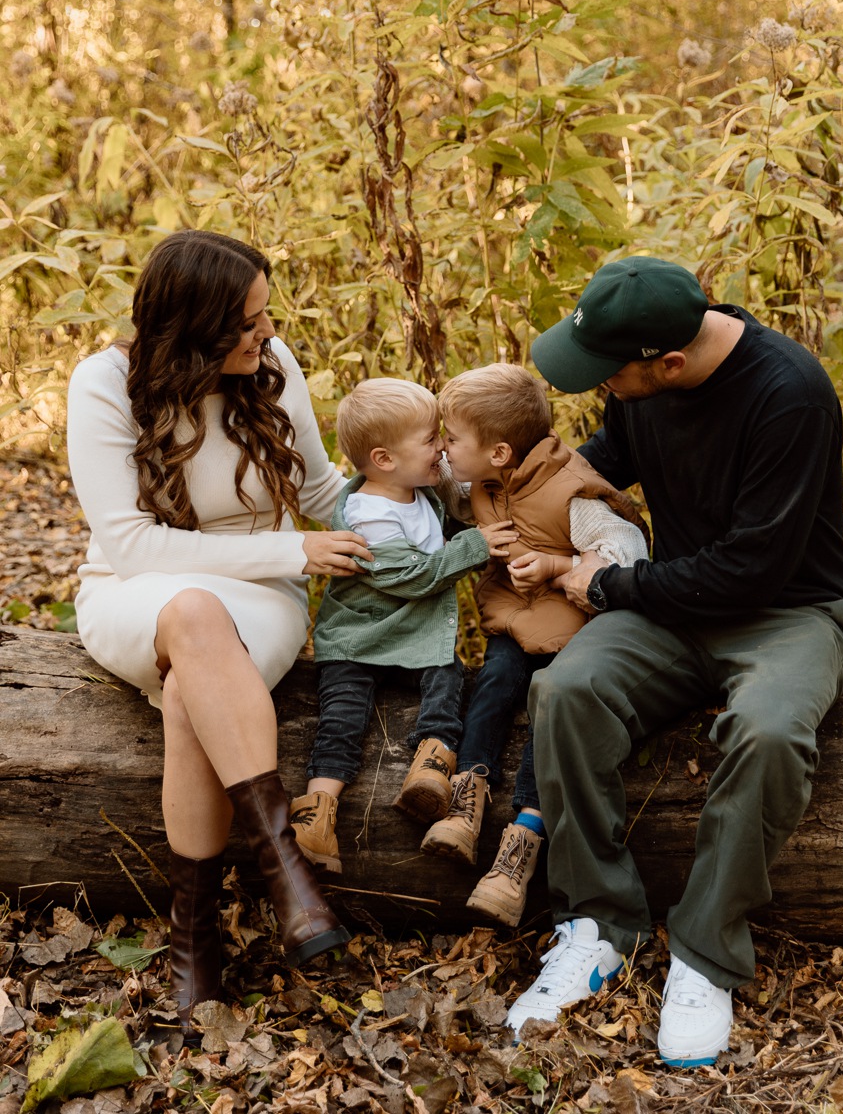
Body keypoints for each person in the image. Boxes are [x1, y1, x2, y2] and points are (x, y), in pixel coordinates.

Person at [504, 255, 843, 1067]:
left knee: (769, 734)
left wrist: (605, 582)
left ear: (666, 363)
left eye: (610, 375)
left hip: (787, 610)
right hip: (672, 604)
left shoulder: (787, 394)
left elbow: (754, 570)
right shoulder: (643, 381)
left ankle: (703, 957)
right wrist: (495, 491)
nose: (600, 386)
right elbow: (602, 464)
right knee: (565, 691)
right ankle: (596, 925)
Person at [66, 230, 374, 1040]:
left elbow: (321, 490)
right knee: (193, 618)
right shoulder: (106, 383)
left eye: (266, 315)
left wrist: (420, 509)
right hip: (134, 593)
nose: (265, 333)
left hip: (259, 599)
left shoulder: (272, 368)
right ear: (191, 326)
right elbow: (128, 544)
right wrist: (290, 548)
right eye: (246, 322)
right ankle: (284, 871)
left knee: (189, 688)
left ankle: (193, 937)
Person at [419, 364, 649, 928]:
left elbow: (629, 552)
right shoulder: (481, 481)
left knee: (550, 712)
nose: (444, 449)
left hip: (576, 630)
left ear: (499, 453)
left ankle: (523, 838)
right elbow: (446, 500)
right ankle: (466, 800)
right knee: (495, 684)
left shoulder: (571, 491)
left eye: (451, 439)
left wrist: (558, 565)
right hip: (514, 622)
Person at [289, 378, 517, 872]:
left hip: (413, 637)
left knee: (446, 679)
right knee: (342, 719)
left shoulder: (419, 492)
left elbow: (445, 526)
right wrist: (475, 546)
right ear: (384, 459)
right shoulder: (368, 515)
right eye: (431, 439)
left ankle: (431, 761)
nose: (441, 447)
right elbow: (413, 576)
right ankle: (317, 810)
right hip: (357, 640)